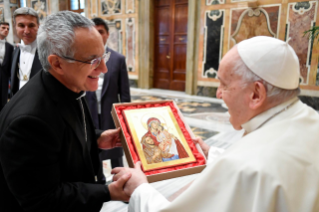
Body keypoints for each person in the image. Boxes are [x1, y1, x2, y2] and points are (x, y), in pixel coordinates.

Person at [112, 36, 319, 212]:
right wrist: (212, 154)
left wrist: (139, 189)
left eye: (224, 84)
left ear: (256, 94)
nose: (218, 93)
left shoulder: (243, 167)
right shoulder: (310, 120)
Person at [0, 11, 131, 212]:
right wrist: (109, 191)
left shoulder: (70, 83)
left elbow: (63, 132)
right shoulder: (28, 122)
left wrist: (97, 138)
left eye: (102, 55)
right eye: (93, 60)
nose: (104, 68)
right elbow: (44, 199)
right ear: (57, 63)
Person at [86, 17, 131, 168]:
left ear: (107, 34)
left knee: (115, 152)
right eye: (94, 32)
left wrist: (125, 118)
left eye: (101, 32)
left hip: (110, 115)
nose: (98, 35)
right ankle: (98, 184)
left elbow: (124, 93)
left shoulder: (118, 59)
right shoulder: (83, 59)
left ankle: (120, 181)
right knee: (93, 150)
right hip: (90, 113)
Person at [10, 7, 43, 97]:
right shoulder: (15, 51)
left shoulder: (48, 52)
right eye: (21, 25)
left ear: (38, 26)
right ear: (15, 26)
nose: (26, 31)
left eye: (31, 25)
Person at [0, 22, 13, 111]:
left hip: (4, 79)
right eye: (3, 28)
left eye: (8, 29)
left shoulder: (10, 47)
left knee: (3, 103)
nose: (6, 30)